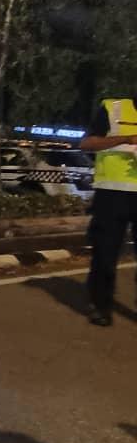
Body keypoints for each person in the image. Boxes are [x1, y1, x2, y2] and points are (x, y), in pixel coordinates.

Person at [79, 95, 137, 326]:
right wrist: (126, 139)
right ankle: (100, 306)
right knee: (105, 252)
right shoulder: (113, 108)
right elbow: (86, 143)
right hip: (112, 194)